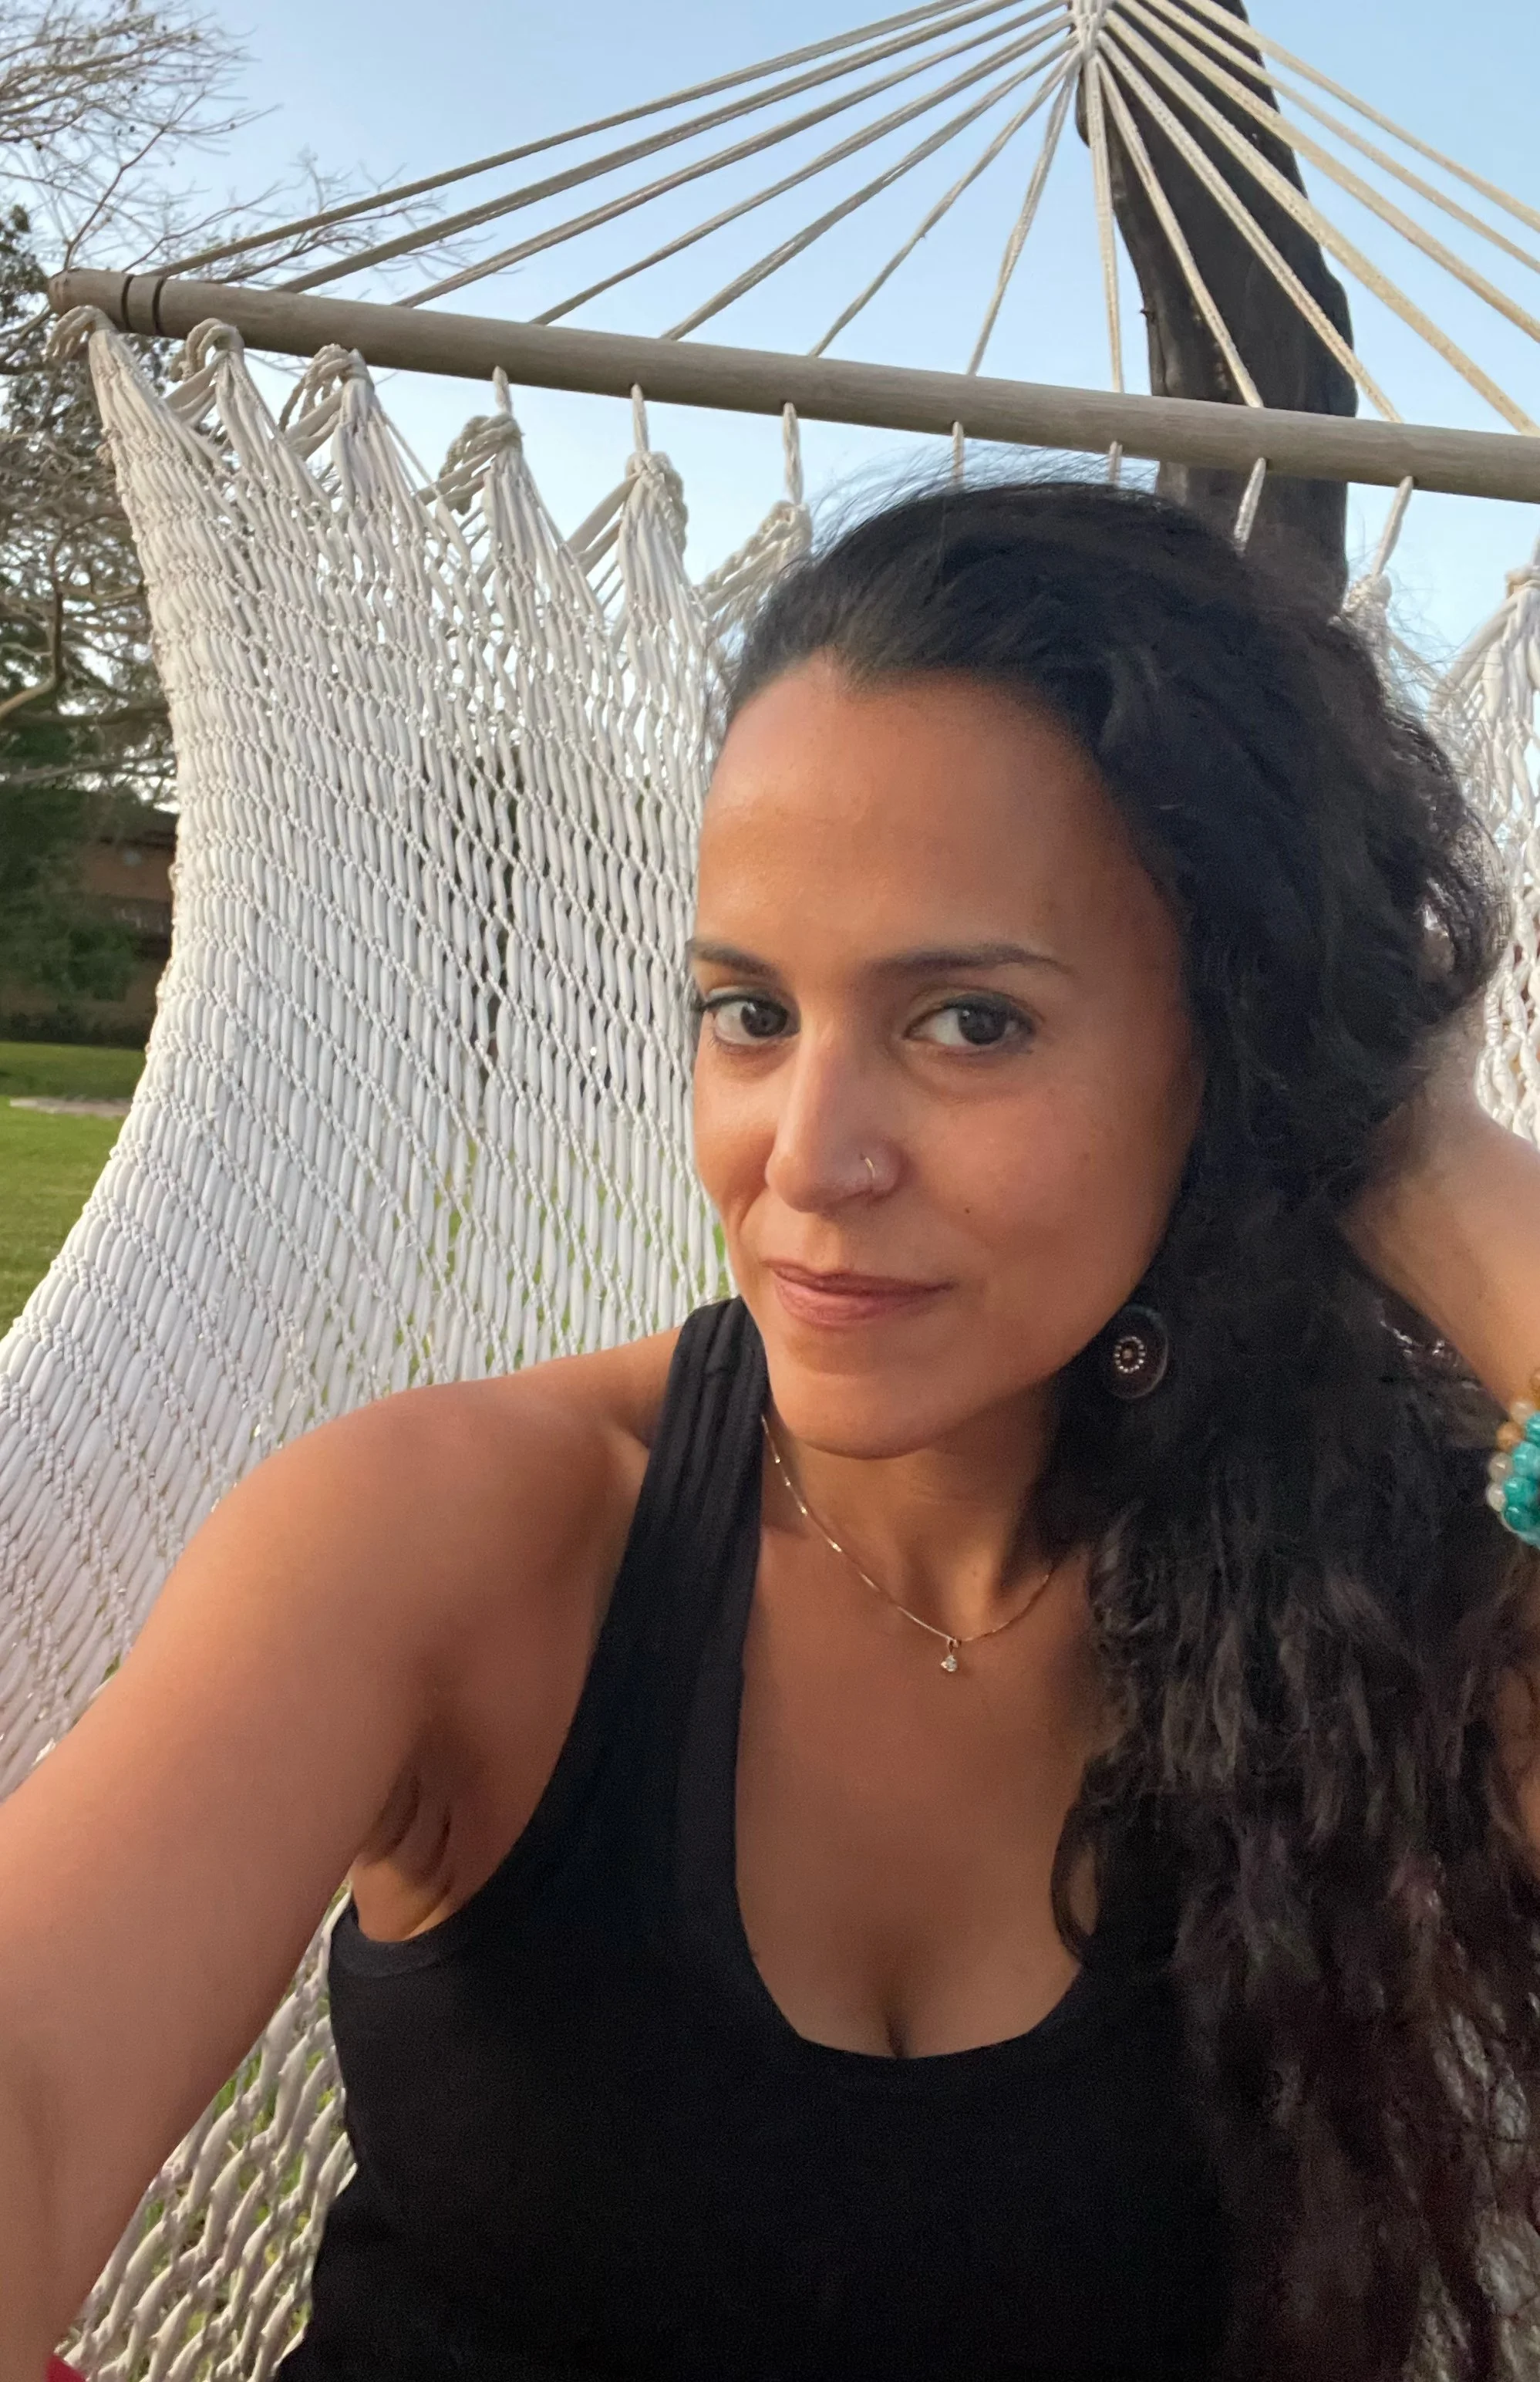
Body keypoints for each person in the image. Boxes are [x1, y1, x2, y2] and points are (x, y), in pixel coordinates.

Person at [3, 476, 1540, 2382]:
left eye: (966, 1021)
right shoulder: (468, 1531)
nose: (801, 1159)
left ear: (1231, 1059)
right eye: (746, 1011)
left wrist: (1414, 1153)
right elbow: (31, 2080)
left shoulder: (1370, 1588)